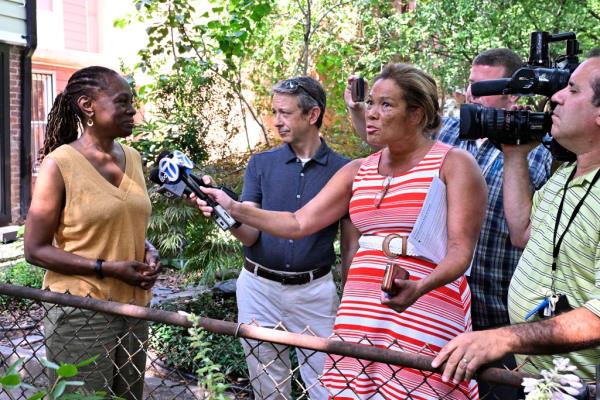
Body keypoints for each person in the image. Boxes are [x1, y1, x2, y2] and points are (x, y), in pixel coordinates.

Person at [195, 63, 487, 399]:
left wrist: (419, 288)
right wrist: (231, 206)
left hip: (424, 304)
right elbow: (298, 223)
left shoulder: (453, 164)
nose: (372, 113)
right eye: (371, 103)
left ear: (417, 114)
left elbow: (460, 252)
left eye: (386, 105)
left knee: (418, 389)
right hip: (362, 309)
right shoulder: (356, 171)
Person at [346, 48, 553, 398]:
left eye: (484, 88)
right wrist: (359, 113)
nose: (472, 94)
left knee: (502, 391)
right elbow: (392, 140)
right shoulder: (452, 131)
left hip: (501, 304)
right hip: (439, 298)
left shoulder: (540, 151)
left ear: (512, 93)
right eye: (471, 85)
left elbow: (531, 233)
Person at [432, 55, 600, 384]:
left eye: (573, 90)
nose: (556, 97)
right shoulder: (567, 173)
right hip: (538, 375)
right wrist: (515, 153)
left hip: (583, 385)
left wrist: (503, 337)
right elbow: (522, 231)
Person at [193, 76, 355, 399]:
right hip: (258, 289)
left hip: (314, 293)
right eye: (274, 112)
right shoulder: (261, 164)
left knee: (330, 386)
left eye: (285, 113)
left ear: (312, 115)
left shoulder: (344, 170)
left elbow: (350, 249)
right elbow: (250, 235)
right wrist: (224, 213)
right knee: (269, 387)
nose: (276, 121)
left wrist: (353, 301)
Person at [24, 66, 160, 400]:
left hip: (133, 309)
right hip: (81, 313)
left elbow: (117, 221)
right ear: (88, 106)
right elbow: (34, 249)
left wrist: (146, 248)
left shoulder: (133, 157)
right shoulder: (60, 164)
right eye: (123, 101)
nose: (133, 110)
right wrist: (105, 267)